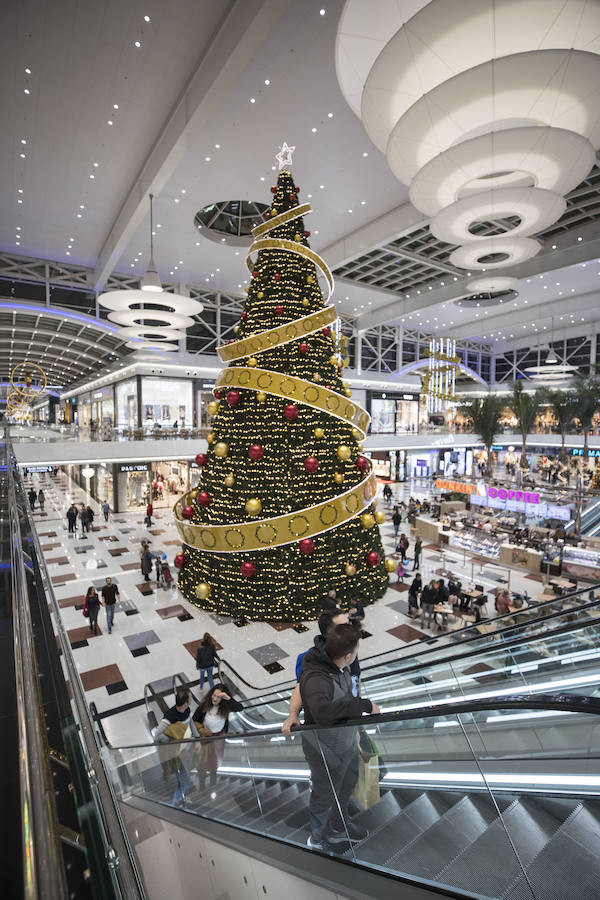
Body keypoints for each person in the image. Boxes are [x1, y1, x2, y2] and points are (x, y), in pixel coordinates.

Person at [300, 623, 380, 851]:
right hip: (323, 749)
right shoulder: (318, 678)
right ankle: (316, 839)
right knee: (324, 793)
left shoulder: (338, 665)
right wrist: (363, 705)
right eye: (356, 650)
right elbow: (323, 713)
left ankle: (339, 823)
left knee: (347, 783)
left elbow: (343, 698)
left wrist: (354, 732)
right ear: (348, 655)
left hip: (344, 741)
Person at [282, 609, 361, 734]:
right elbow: (301, 687)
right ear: (331, 633)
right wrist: (293, 714)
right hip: (327, 733)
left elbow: (356, 678)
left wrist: (357, 705)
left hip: (349, 720)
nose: (349, 629)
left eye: (348, 624)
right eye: (343, 626)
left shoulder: (348, 651)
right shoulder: (311, 660)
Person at [192, 686, 243, 787]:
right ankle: (202, 783)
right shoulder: (204, 706)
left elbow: (239, 708)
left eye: (219, 697)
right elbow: (194, 721)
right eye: (214, 695)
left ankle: (213, 781)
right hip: (205, 739)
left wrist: (227, 698)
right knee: (202, 761)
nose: (215, 698)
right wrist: (198, 737)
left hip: (219, 739)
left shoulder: (225, 707)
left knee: (214, 761)